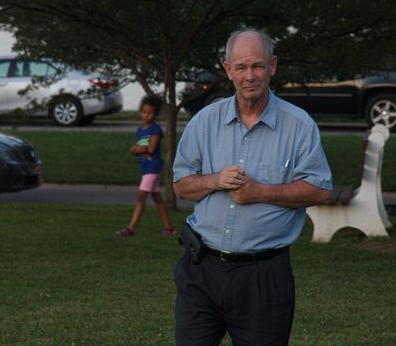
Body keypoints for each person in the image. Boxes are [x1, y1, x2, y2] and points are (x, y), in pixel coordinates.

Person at [172, 28, 332, 346]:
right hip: (202, 270)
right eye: (241, 67)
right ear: (228, 69)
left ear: (272, 66)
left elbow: (320, 190)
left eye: (257, 66)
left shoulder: (299, 125)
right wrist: (213, 180)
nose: (250, 76)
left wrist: (261, 192)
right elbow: (180, 185)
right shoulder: (204, 121)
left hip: (264, 276)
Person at [118, 95, 175, 237]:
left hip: (153, 168)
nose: (146, 115)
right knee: (157, 198)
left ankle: (130, 228)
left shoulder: (155, 130)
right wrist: (138, 149)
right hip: (144, 168)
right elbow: (134, 149)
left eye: (150, 112)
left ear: (155, 114)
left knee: (141, 196)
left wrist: (138, 149)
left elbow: (150, 148)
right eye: (144, 112)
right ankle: (169, 228)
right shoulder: (140, 131)